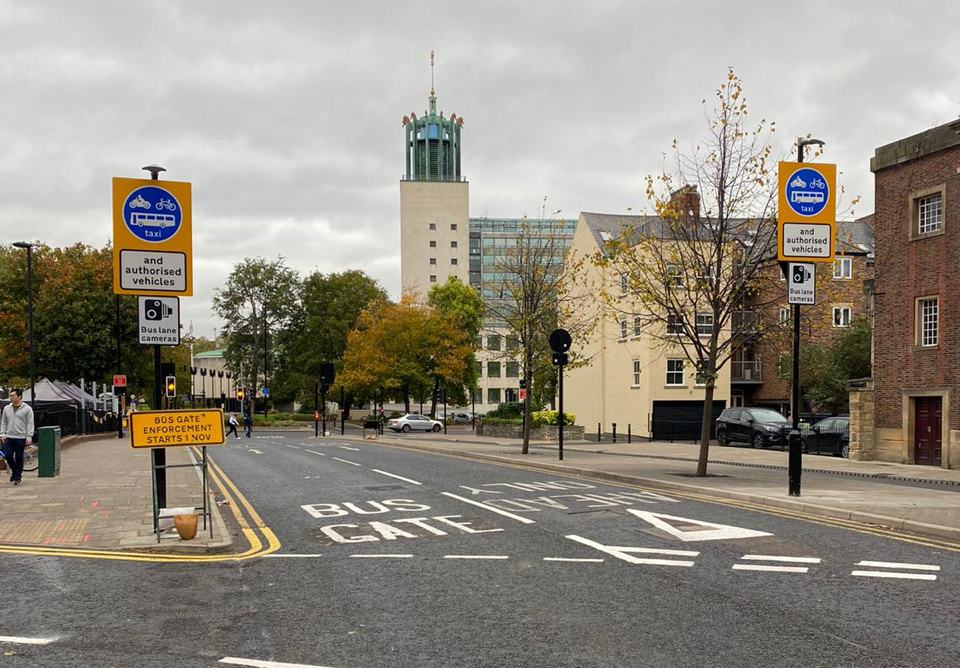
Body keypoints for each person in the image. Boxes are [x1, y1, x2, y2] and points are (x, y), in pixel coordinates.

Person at [1, 388, 35, 485]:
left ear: (19, 396)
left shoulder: (27, 409)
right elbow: (3, 422)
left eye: (13, 395)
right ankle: (15, 472)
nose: (10, 398)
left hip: (21, 437)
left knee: (19, 456)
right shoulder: (7, 408)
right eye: (10, 396)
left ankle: (17, 477)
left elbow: (30, 423)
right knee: (8, 455)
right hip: (9, 436)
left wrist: (29, 436)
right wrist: (2, 433)